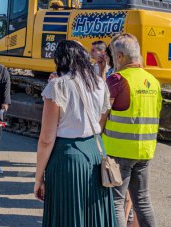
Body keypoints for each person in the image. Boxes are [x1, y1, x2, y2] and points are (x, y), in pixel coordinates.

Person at [34, 40, 117, 227]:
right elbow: (102, 118)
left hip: (67, 157)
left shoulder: (58, 86)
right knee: (93, 212)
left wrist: (38, 178)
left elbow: (46, 140)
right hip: (95, 151)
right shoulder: (99, 83)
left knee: (69, 214)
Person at [102, 33, 162, 227]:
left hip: (118, 152)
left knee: (115, 202)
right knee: (142, 201)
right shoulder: (153, 81)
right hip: (144, 151)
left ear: (119, 56)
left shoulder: (116, 79)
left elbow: (102, 115)